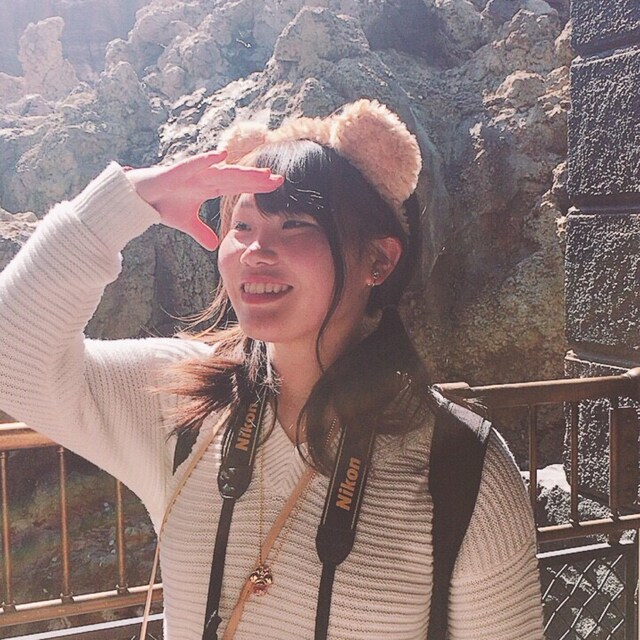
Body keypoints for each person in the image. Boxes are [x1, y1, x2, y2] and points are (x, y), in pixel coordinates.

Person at [0, 100, 544, 639]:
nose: (256, 250)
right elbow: (13, 356)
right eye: (242, 225)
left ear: (379, 260)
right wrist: (122, 202)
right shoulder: (183, 401)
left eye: (295, 224)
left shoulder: (461, 467)